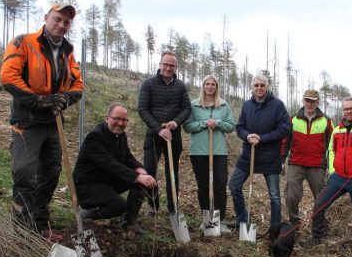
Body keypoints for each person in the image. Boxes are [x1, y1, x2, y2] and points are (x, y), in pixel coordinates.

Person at [0, 2, 84, 242]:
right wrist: (38, 100)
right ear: (47, 17)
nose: (61, 24)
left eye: (66, 22)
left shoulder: (67, 51)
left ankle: (40, 223)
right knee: (25, 171)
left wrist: (64, 98)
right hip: (27, 121)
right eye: (57, 19)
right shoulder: (24, 42)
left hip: (53, 122)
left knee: (51, 172)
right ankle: (22, 230)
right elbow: (8, 76)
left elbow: (78, 85)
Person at [73, 104, 156, 232]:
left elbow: (127, 157)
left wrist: (141, 170)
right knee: (118, 206)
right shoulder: (94, 138)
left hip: (107, 180)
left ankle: (130, 222)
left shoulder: (120, 136)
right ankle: (87, 214)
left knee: (141, 183)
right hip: (88, 187)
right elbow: (110, 164)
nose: (120, 123)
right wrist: (137, 176)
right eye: (116, 118)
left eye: (124, 120)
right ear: (107, 118)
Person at [309, 97, 352, 257]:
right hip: (339, 177)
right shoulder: (337, 130)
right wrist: (333, 170)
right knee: (319, 205)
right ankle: (317, 237)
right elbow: (331, 150)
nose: (348, 111)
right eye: (345, 109)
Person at [228, 74, 290, 227]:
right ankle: (242, 220)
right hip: (249, 155)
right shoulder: (247, 105)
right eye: (256, 85)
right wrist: (248, 136)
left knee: (274, 196)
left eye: (262, 85)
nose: (259, 88)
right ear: (252, 87)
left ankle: (275, 228)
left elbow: (285, 129)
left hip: (270, 157)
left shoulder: (278, 105)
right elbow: (239, 127)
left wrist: (262, 138)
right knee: (234, 185)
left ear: (267, 87)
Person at [138, 52, 191, 216]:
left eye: (172, 65)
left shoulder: (180, 86)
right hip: (154, 135)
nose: (168, 68)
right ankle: (153, 206)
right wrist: (159, 130)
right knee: (149, 170)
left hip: (174, 135)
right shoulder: (148, 84)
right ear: (160, 64)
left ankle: (173, 208)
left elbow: (187, 108)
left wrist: (176, 122)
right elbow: (142, 109)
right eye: (165, 64)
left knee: (172, 171)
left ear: (176, 67)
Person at [184, 75, 235, 234]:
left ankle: (221, 221)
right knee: (203, 186)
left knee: (220, 186)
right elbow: (187, 126)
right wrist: (203, 123)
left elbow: (231, 126)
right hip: (199, 151)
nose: (210, 86)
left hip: (218, 152)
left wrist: (218, 123)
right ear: (203, 86)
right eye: (207, 83)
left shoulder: (224, 105)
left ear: (217, 86)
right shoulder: (193, 105)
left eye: (213, 84)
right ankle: (206, 219)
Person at [284, 89, 333, 229]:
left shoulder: (327, 121)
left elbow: (332, 145)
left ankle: (320, 224)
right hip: (296, 163)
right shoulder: (293, 119)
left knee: (322, 198)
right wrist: (281, 161)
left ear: (318, 102)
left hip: (318, 165)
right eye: (307, 100)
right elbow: (285, 142)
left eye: (312, 101)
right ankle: (294, 222)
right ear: (303, 101)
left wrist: (330, 166)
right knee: (291, 196)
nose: (309, 104)